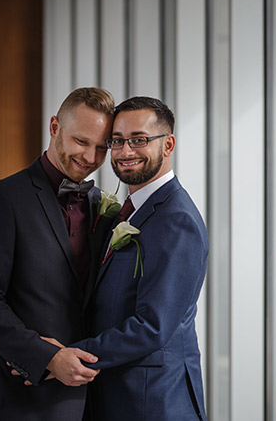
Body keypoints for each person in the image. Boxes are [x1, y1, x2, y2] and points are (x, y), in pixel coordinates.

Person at [0, 87, 116, 420]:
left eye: (102, 147)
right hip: (24, 393)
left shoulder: (105, 208)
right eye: (82, 141)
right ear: (54, 128)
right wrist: (44, 355)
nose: (90, 158)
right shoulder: (1, 199)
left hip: (95, 394)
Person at [66, 96, 208, 420]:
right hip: (119, 395)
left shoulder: (177, 220)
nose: (125, 151)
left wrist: (74, 356)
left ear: (168, 144)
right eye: (117, 141)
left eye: (139, 140)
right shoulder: (128, 212)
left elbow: (152, 326)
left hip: (154, 401)